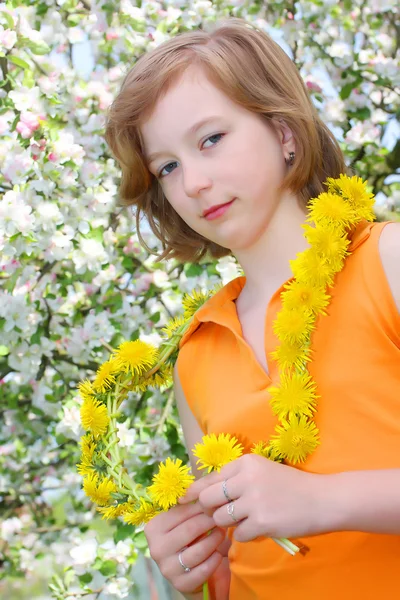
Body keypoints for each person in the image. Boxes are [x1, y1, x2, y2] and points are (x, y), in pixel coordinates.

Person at [104, 17, 400, 600]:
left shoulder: (386, 262)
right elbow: (237, 559)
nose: (191, 181)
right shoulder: (196, 348)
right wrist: (189, 563)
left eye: (210, 139)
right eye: (166, 167)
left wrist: (323, 500)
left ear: (284, 132)